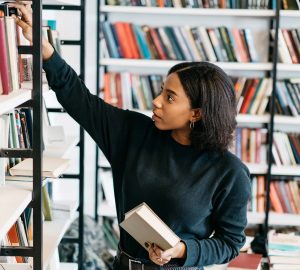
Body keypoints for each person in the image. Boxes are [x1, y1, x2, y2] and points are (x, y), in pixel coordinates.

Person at [11, 2, 251, 269]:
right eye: (161, 90)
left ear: (196, 113)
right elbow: (80, 99)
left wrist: (182, 249)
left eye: (169, 97)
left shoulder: (230, 172)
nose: (156, 101)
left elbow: (230, 243)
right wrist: (45, 51)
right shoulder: (134, 132)